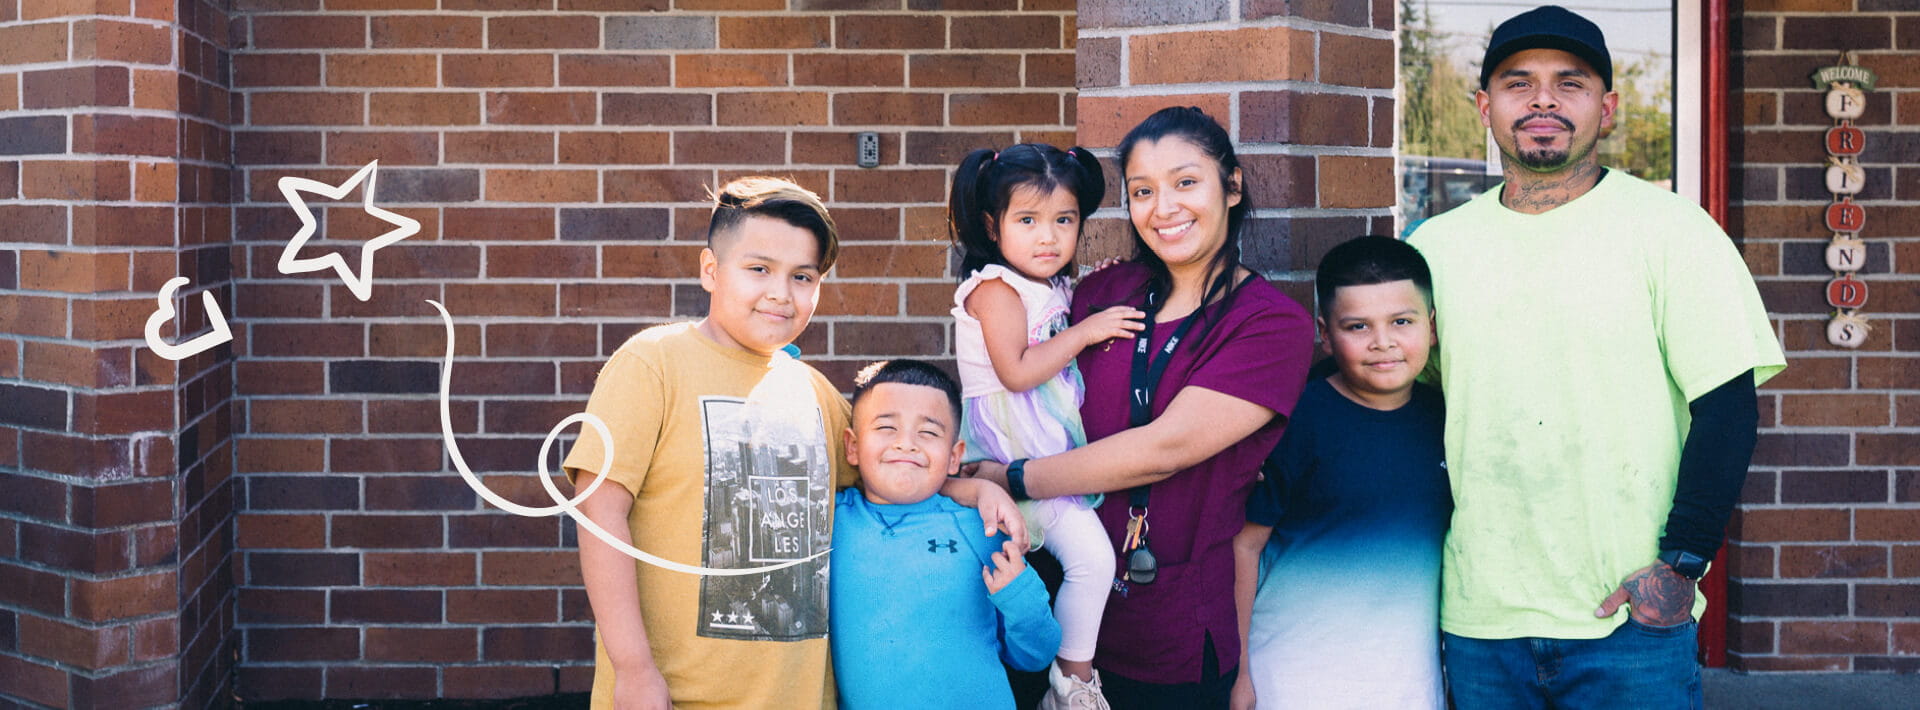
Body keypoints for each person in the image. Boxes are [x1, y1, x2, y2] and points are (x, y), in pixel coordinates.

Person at [1405, 6, 1785, 708]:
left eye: (1569, 83)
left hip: (1630, 622)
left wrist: (1682, 566)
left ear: (1606, 109)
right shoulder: (1434, 248)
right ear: (1485, 108)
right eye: (1519, 83)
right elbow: (1412, 411)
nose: (1543, 99)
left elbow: (1728, 409)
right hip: (1480, 618)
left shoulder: (1673, 232)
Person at [562, 177, 1024, 710]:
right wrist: (634, 668)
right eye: (759, 269)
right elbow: (599, 512)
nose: (781, 293)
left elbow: (893, 476)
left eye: (802, 276)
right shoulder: (653, 363)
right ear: (710, 270)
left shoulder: (816, 394)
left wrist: (972, 492)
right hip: (675, 693)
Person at [968, 106, 1316, 709]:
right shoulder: (1102, 293)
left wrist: (1012, 478)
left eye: (1186, 182)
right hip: (1037, 606)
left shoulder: (1270, 324)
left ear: (1231, 186)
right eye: (1142, 191)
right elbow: (1016, 380)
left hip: (1171, 632)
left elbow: (1165, 450)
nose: (1164, 207)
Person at [947, 143, 1143, 709]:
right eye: (1028, 221)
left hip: (1046, 448)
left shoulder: (1046, 284)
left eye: (1064, 220)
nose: (1048, 237)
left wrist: (1090, 295)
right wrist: (1084, 331)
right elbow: (1016, 370)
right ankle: (1073, 681)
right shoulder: (995, 289)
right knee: (1094, 559)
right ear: (993, 224)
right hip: (1015, 446)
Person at [1229, 235, 1449, 710]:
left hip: (1408, 682)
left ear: (1431, 327)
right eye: (1358, 326)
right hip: (1293, 678)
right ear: (1325, 334)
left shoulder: (1448, 419)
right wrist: (1240, 668)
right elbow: (1244, 544)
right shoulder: (1297, 419)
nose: (1383, 342)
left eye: (1402, 322)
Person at [829, 359, 1062, 709]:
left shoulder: (980, 527)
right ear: (852, 447)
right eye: (886, 427)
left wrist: (1019, 596)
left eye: (928, 432)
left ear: (954, 457)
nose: (906, 444)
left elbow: (1035, 656)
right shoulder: (827, 522)